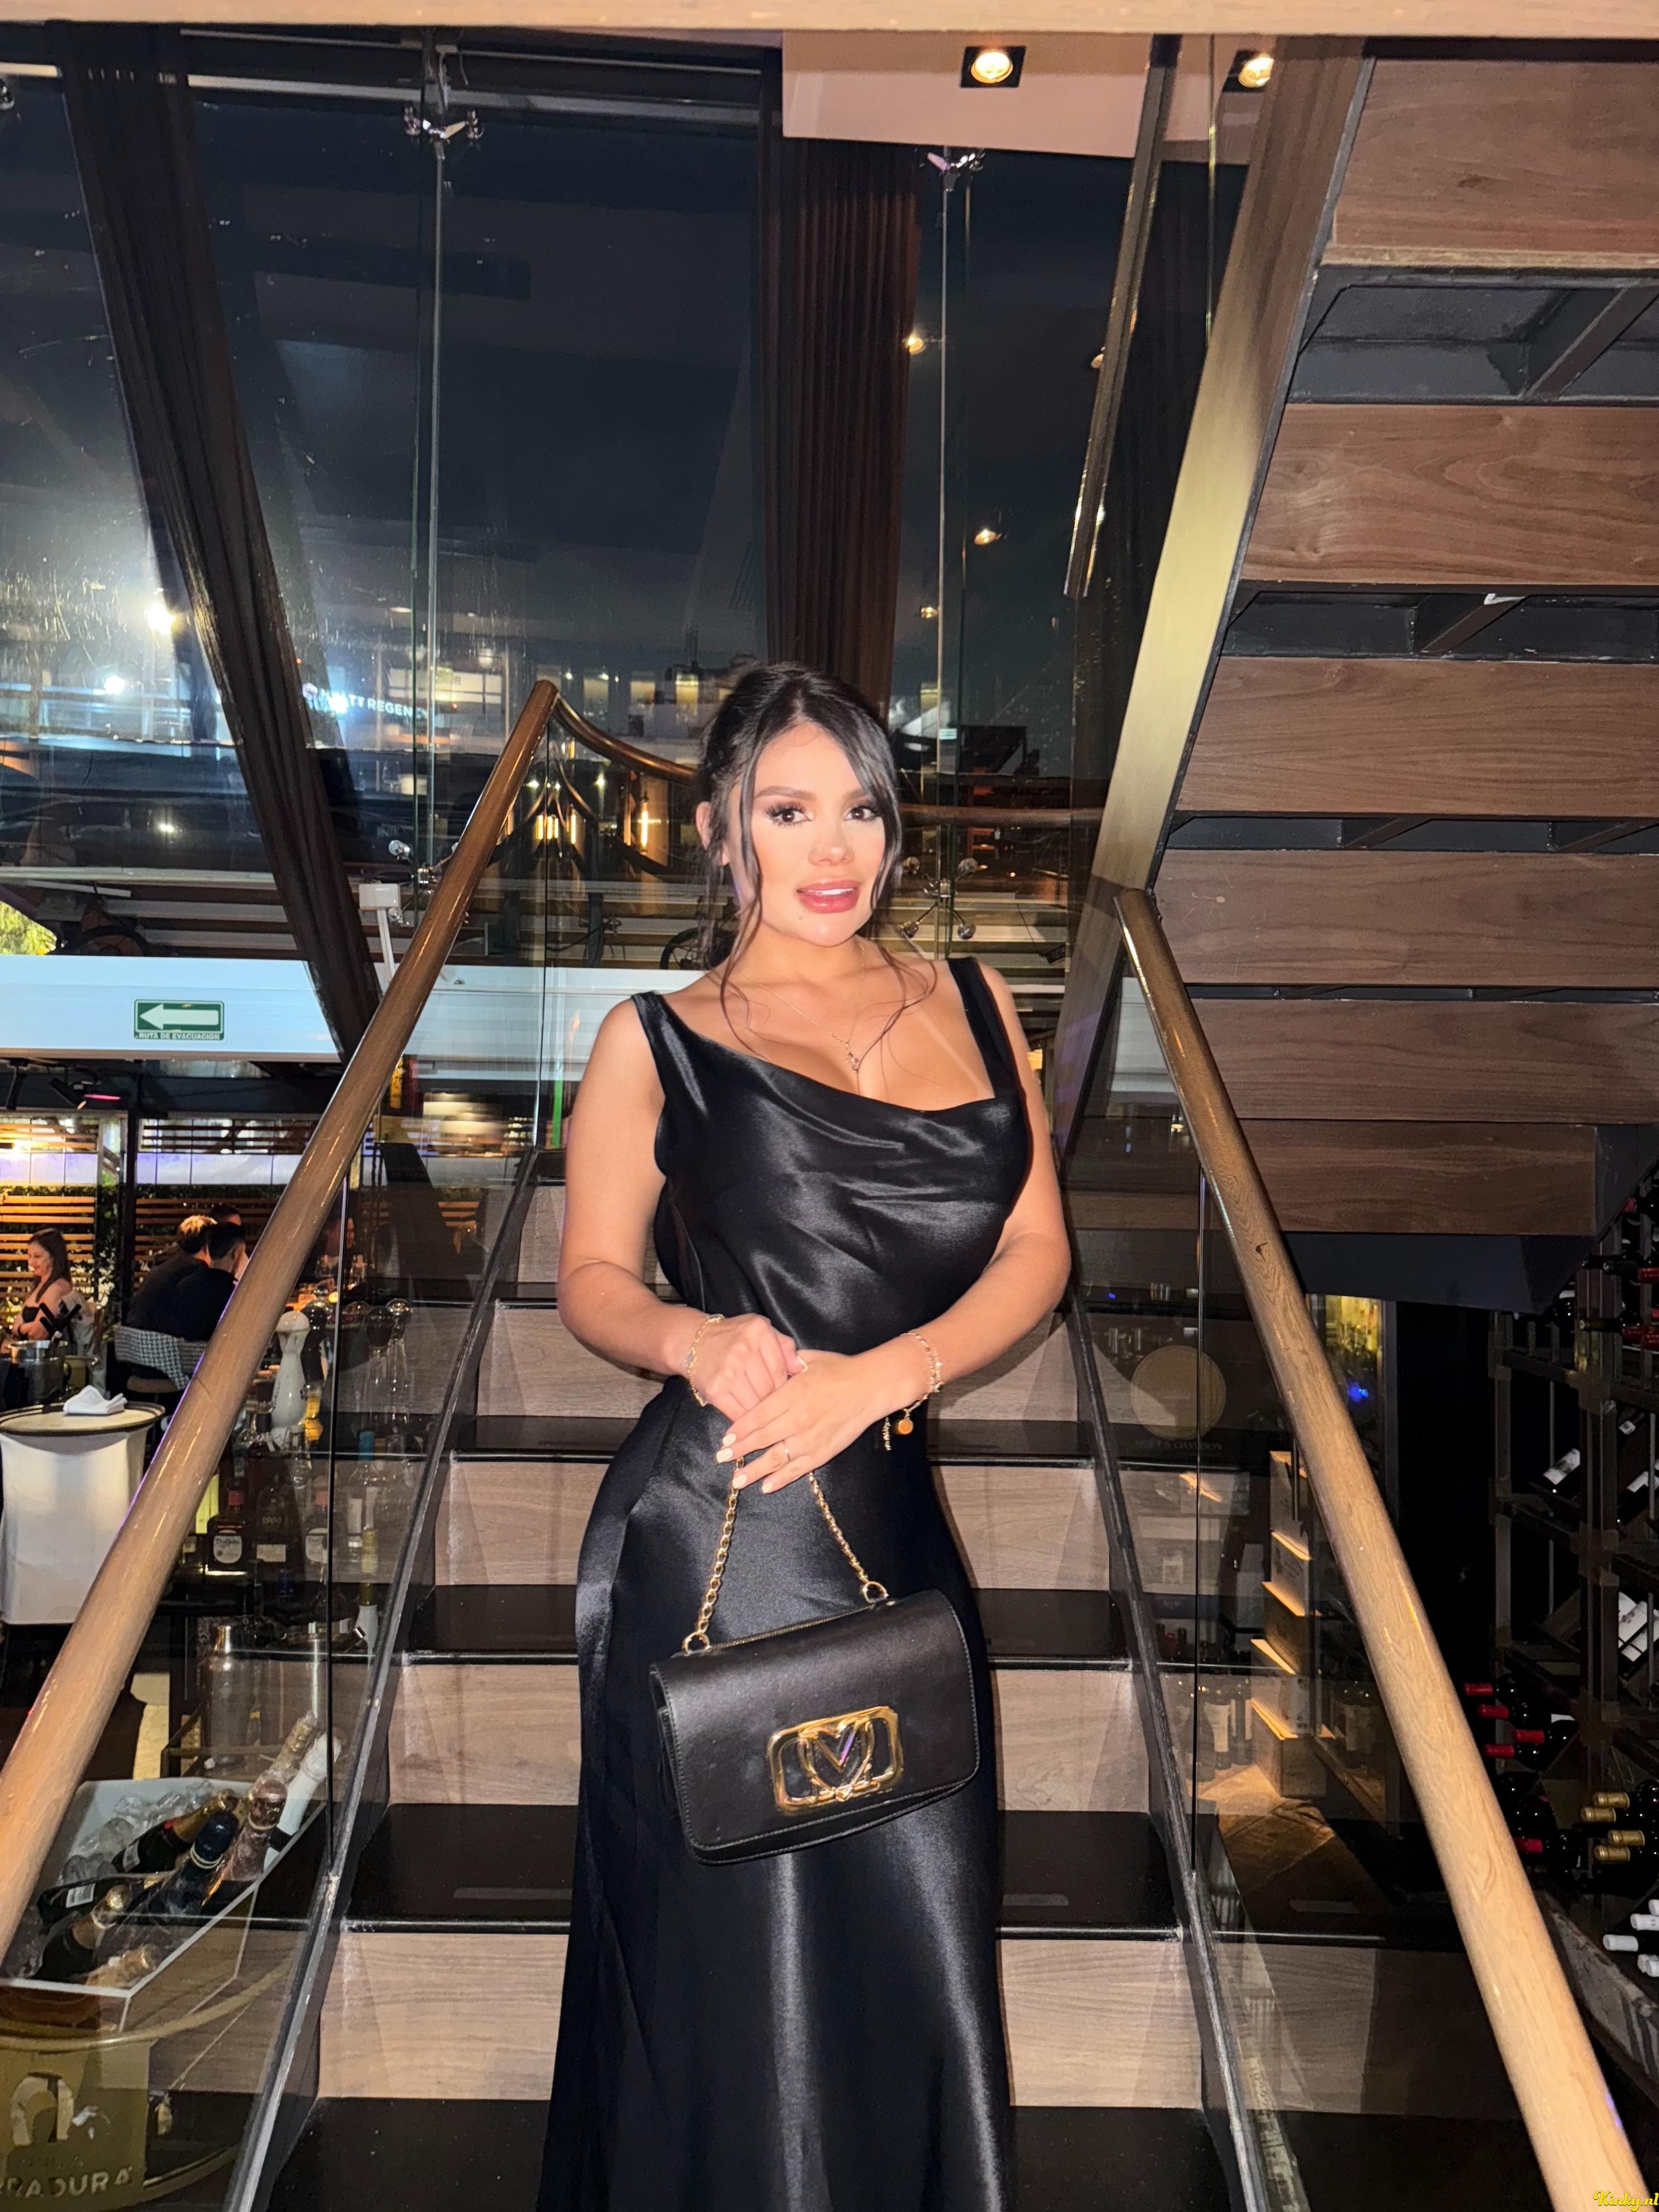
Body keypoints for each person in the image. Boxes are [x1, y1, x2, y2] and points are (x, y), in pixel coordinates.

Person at [537, 664, 1070, 2211]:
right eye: (787, 811)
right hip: (722, 1533)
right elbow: (590, 1278)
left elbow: (1037, 1250)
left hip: (892, 1523)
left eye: (860, 810)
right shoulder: (659, 1038)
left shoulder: (979, 1005)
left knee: (916, 1937)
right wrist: (694, 1339)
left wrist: (889, 1374)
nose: (833, 850)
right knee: (732, 1969)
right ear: (722, 831)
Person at [126, 1214, 216, 1330]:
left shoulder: (167, 1264)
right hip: (161, 1338)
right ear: (207, 1246)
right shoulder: (194, 1271)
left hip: (135, 1336)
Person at [12, 1229, 84, 1342]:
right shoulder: (40, 1285)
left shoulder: (58, 1287)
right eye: (29, 1256)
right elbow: (16, 1325)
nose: (31, 1262)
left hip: (48, 1352)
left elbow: (39, 1333)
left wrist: (21, 1328)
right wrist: (23, 1328)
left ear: (53, 1258)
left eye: (37, 1257)